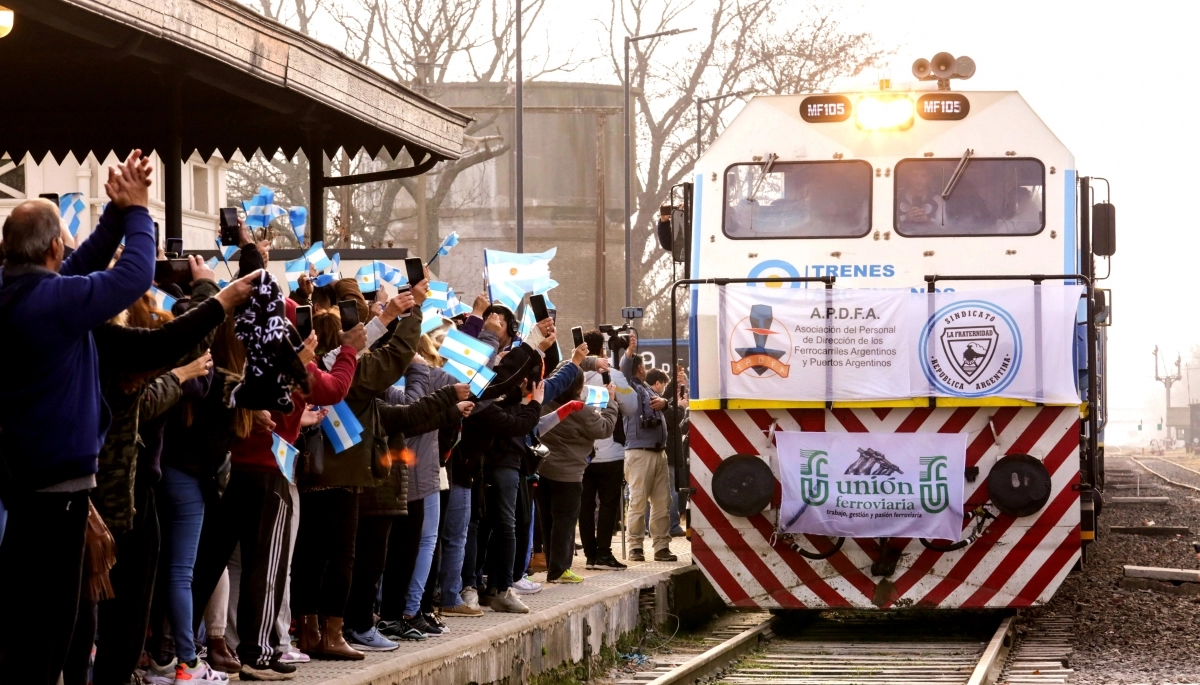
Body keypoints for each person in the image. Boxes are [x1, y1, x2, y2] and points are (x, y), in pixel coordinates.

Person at [0, 151, 156, 684]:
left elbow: (81, 264)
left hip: (28, 488)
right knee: (49, 634)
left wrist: (114, 213)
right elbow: (135, 274)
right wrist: (138, 210)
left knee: (37, 630)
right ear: (50, 247)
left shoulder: (19, 292)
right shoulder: (49, 303)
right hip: (55, 497)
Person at [536, 363, 618, 584]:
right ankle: (560, 570)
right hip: (569, 474)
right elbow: (605, 428)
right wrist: (610, 402)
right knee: (564, 521)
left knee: (548, 521)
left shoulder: (543, 402)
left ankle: (553, 566)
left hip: (542, 469)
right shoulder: (580, 409)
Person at [618, 333, 677, 563]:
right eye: (643, 366)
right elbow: (624, 370)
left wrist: (665, 403)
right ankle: (635, 547)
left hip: (657, 452)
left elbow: (663, 408)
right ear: (639, 368)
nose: (645, 369)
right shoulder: (630, 386)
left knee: (662, 502)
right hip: (639, 453)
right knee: (638, 501)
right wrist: (630, 352)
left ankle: (661, 547)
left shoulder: (647, 389)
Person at [580, 330, 627, 571]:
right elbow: (632, 407)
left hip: (582, 453)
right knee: (608, 504)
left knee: (585, 505)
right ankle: (603, 554)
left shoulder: (572, 376)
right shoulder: (614, 376)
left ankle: (589, 555)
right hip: (610, 452)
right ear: (602, 352)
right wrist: (613, 400)